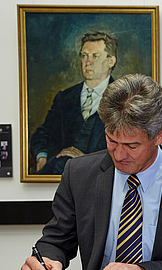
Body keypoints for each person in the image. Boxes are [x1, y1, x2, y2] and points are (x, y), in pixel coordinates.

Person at [21, 73, 162, 270]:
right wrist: (45, 261)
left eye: (132, 146)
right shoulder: (79, 174)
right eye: (111, 140)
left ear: (160, 135)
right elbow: (56, 240)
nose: (119, 155)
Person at [30, 32, 117, 175]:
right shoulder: (64, 97)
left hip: (101, 179)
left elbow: (130, 149)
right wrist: (41, 156)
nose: (87, 62)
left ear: (111, 61)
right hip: (58, 176)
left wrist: (86, 160)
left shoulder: (123, 98)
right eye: (84, 56)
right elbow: (43, 133)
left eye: (95, 56)